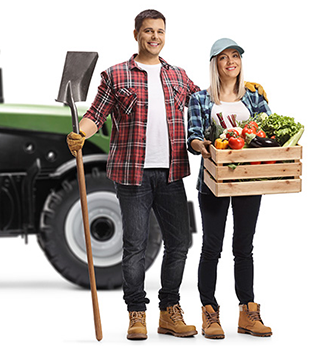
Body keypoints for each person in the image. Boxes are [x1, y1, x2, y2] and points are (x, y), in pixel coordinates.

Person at [66, 9, 200, 340]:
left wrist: (239, 88)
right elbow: (95, 115)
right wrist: (80, 133)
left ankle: (169, 310)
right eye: (148, 31)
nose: (155, 37)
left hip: (171, 173)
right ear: (136, 34)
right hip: (132, 175)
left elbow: (204, 103)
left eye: (160, 31)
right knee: (135, 246)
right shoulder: (116, 75)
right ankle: (136, 314)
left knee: (179, 243)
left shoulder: (178, 76)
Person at [186, 38, 273, 339]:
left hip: (249, 180)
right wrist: (203, 145)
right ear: (215, 64)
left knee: (243, 248)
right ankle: (210, 312)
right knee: (212, 247)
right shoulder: (200, 98)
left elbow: (270, 131)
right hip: (214, 181)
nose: (230, 62)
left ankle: (248, 311)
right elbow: (193, 135)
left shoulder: (253, 96)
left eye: (235, 56)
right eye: (223, 58)